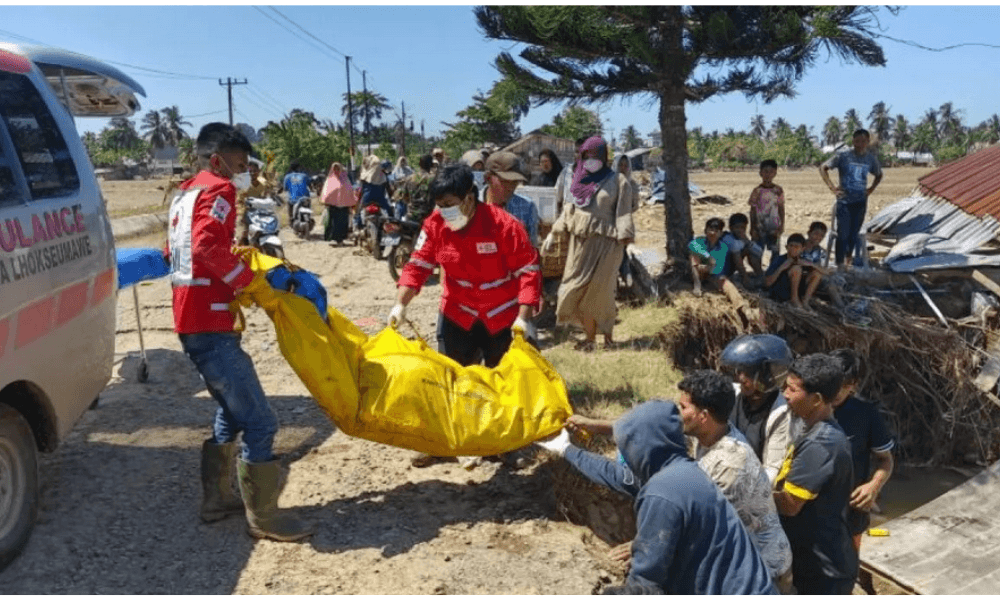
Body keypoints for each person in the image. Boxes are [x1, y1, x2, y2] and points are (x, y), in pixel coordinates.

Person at [166, 123, 312, 542]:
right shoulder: (219, 191)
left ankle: (217, 500)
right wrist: (248, 282)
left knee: (231, 412)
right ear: (217, 161)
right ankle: (263, 517)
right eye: (240, 162)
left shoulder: (185, 193)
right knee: (262, 422)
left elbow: (177, 250)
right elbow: (206, 248)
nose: (245, 170)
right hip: (210, 322)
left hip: (190, 319)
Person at [565, 371, 793, 591]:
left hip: (763, 569)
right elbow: (649, 428)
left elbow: (692, 523)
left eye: (683, 407)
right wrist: (599, 426)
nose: (677, 413)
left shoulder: (727, 465)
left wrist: (643, 545)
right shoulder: (711, 432)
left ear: (703, 416)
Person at [389, 163, 540, 368]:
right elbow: (418, 265)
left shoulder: (503, 225)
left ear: (469, 197)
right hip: (457, 313)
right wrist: (400, 305)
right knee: (456, 376)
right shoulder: (435, 224)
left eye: (449, 204)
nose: (444, 211)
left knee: (505, 379)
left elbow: (528, 272)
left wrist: (524, 319)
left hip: (502, 316)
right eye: (439, 205)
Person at [774, 353, 856, 595]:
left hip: (823, 572)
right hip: (814, 563)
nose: (785, 395)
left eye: (792, 389)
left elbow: (790, 505)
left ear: (817, 399)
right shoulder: (811, 428)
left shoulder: (822, 443)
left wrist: (750, 495)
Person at [543, 136, 634, 351]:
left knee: (601, 292)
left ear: (604, 156)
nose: (590, 159)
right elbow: (570, 210)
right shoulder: (579, 179)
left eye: (595, 155)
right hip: (579, 244)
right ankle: (589, 337)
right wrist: (553, 234)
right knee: (573, 289)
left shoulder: (618, 181)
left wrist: (624, 240)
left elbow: (623, 213)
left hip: (607, 245)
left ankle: (608, 339)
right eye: (586, 155)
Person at [830, 348, 895, 593]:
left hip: (851, 508)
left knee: (847, 568)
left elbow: (885, 461)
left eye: (843, 386)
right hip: (810, 506)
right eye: (832, 384)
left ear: (854, 385)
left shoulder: (866, 414)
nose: (835, 392)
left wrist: (873, 486)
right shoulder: (807, 406)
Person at [721, 334, 797, 483]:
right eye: (739, 371)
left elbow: (772, 469)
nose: (741, 378)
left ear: (766, 376)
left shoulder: (781, 412)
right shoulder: (731, 394)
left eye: (748, 373)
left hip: (752, 486)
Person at [820, 128, 883, 267]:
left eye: (863, 141)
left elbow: (879, 174)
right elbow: (823, 167)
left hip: (861, 201)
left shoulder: (870, 158)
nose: (860, 144)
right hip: (844, 201)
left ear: (868, 142)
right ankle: (839, 263)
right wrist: (833, 188)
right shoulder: (843, 156)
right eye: (857, 141)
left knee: (854, 234)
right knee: (843, 233)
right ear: (853, 141)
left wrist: (871, 189)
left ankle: (848, 260)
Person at [688, 217, 749, 314]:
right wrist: (708, 257)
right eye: (710, 230)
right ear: (705, 231)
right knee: (694, 257)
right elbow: (691, 246)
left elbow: (718, 268)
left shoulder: (722, 247)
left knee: (726, 283)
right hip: (697, 274)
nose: (712, 233)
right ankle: (697, 285)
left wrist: (708, 268)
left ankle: (741, 307)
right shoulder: (699, 241)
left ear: (720, 233)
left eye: (716, 231)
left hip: (713, 275)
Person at [484, 151, 539, 248]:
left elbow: (531, 248)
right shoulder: (470, 205)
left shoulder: (527, 207)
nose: (511, 187)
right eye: (505, 181)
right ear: (488, 178)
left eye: (515, 182)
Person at [764, 233, 822, 309]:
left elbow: (824, 271)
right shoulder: (779, 260)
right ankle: (794, 300)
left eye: (797, 247)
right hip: (780, 293)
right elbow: (767, 283)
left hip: (797, 291)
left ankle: (805, 301)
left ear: (802, 249)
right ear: (786, 247)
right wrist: (781, 268)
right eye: (791, 246)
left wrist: (810, 264)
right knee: (796, 269)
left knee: (816, 273)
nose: (793, 249)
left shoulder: (802, 260)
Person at [748, 159, 785, 263]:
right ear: (760, 173)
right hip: (759, 227)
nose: (768, 174)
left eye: (771, 171)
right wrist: (752, 227)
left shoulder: (778, 190)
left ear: (775, 173)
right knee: (756, 252)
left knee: (775, 252)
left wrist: (782, 225)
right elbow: (752, 210)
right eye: (765, 171)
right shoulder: (757, 191)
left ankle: (772, 273)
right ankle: (759, 273)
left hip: (774, 227)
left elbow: (781, 208)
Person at [393, 154, 436, 225]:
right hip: (428, 216)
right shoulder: (433, 179)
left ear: (419, 165)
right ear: (431, 165)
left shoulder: (410, 178)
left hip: (412, 216)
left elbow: (402, 196)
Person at [721, 212, 764, 284]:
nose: (740, 230)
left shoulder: (742, 239)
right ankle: (745, 278)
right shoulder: (727, 238)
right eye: (737, 227)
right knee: (737, 253)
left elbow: (759, 252)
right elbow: (735, 251)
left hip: (731, 267)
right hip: (723, 268)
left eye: (743, 228)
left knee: (750, 250)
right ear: (730, 228)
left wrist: (747, 241)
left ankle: (760, 275)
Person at [320, 161, 356, 244]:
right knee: (332, 223)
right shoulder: (330, 179)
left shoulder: (345, 179)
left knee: (342, 223)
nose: (336, 170)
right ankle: (332, 238)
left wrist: (350, 201)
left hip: (344, 206)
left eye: (338, 168)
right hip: (333, 206)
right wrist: (326, 200)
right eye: (334, 168)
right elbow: (326, 191)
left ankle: (340, 239)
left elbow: (349, 190)